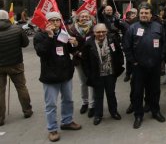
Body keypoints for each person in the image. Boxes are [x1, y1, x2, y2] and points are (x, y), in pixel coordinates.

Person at [33, 12, 81, 142]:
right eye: (52, 20)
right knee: (51, 105)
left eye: (57, 20)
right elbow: (41, 52)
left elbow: (71, 51)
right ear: (47, 22)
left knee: (68, 100)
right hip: (50, 76)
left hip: (66, 74)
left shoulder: (64, 34)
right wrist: (49, 37)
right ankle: (52, 129)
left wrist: (75, 43)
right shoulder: (40, 36)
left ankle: (67, 121)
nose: (55, 23)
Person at [123, 3, 166, 129]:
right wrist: (133, 61)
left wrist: (160, 58)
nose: (143, 15)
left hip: (154, 66)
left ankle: (155, 111)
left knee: (155, 90)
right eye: (142, 13)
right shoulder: (132, 28)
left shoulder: (158, 27)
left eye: (146, 13)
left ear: (151, 15)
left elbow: (164, 44)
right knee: (137, 92)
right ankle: (138, 115)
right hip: (138, 67)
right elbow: (126, 47)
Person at [82, 23, 124, 125]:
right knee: (98, 96)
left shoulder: (112, 40)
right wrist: (89, 75)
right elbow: (85, 61)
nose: (101, 34)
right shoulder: (88, 43)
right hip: (97, 75)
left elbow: (119, 54)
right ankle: (98, 115)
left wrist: (118, 67)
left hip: (110, 73)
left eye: (103, 31)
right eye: (98, 32)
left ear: (106, 31)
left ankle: (113, 112)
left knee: (111, 94)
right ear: (94, 32)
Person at [0, 10, 32, 126]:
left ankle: (0, 118)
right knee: (21, 87)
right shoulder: (17, 29)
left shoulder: (17, 28)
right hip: (15, 63)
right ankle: (27, 110)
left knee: (0, 91)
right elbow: (25, 44)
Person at [68, 10, 95, 118]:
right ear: (78, 18)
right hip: (79, 59)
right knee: (83, 82)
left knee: (92, 81)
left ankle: (92, 105)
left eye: (86, 16)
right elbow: (68, 46)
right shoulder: (72, 29)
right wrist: (76, 50)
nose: (84, 18)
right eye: (82, 16)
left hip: (92, 59)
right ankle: (85, 102)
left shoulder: (94, 28)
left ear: (90, 18)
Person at [119, 8, 138, 82]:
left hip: (136, 44)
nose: (134, 15)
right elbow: (117, 25)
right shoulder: (123, 23)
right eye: (133, 14)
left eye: (135, 14)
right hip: (127, 44)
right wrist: (118, 20)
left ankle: (134, 74)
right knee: (128, 59)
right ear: (128, 16)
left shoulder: (137, 22)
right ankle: (128, 74)